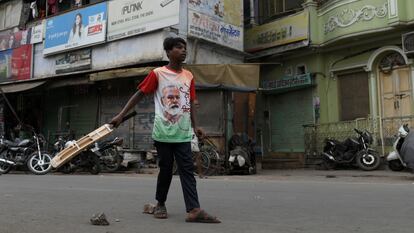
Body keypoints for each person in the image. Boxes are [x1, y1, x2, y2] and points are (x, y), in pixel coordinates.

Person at [110, 37, 220, 223]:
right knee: (166, 170)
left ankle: (194, 209)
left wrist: (195, 126)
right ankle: (160, 203)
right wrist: (121, 115)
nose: (183, 50)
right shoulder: (158, 74)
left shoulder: (189, 76)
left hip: (184, 133)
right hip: (163, 133)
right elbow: (139, 94)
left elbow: (191, 102)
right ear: (168, 52)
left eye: (185, 48)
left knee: (187, 170)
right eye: (178, 47)